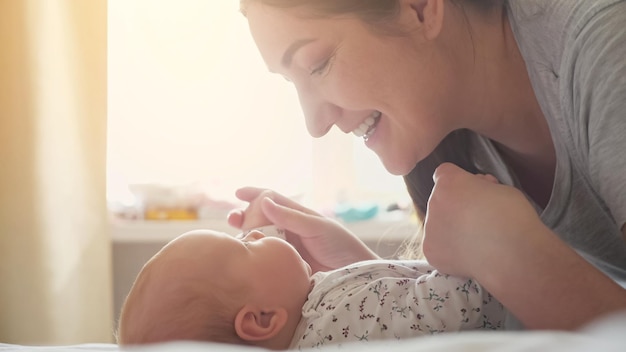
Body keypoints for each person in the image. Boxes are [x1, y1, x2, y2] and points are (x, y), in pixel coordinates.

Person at [227, 0, 626, 332]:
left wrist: (512, 255)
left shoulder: (607, 42)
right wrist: (362, 280)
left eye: (317, 64)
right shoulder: (448, 136)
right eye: (290, 82)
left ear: (418, 8)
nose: (315, 125)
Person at [116, 226, 505, 349]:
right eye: (245, 244)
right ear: (262, 319)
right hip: (513, 293)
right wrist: (472, 235)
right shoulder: (335, 320)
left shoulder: (321, 317)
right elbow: (452, 306)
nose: (254, 231)